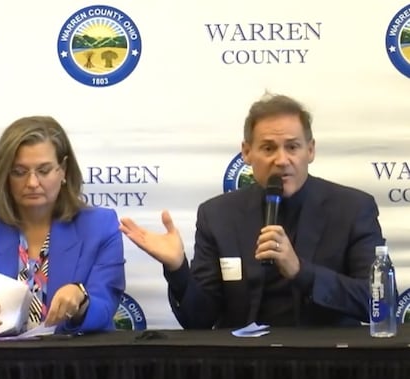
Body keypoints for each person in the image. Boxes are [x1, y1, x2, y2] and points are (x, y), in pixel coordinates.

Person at [120, 93, 383, 329]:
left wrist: (300, 271)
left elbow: (376, 303)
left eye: (292, 147)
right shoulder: (218, 215)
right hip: (242, 367)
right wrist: (178, 270)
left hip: (327, 365)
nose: (281, 160)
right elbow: (199, 319)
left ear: (310, 150)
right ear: (246, 152)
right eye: (268, 148)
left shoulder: (352, 209)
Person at [0, 116, 125, 334]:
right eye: (19, 172)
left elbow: (105, 304)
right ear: (4, 175)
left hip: (75, 362)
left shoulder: (100, 226)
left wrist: (82, 301)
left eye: (43, 171)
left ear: (63, 170)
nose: (32, 183)